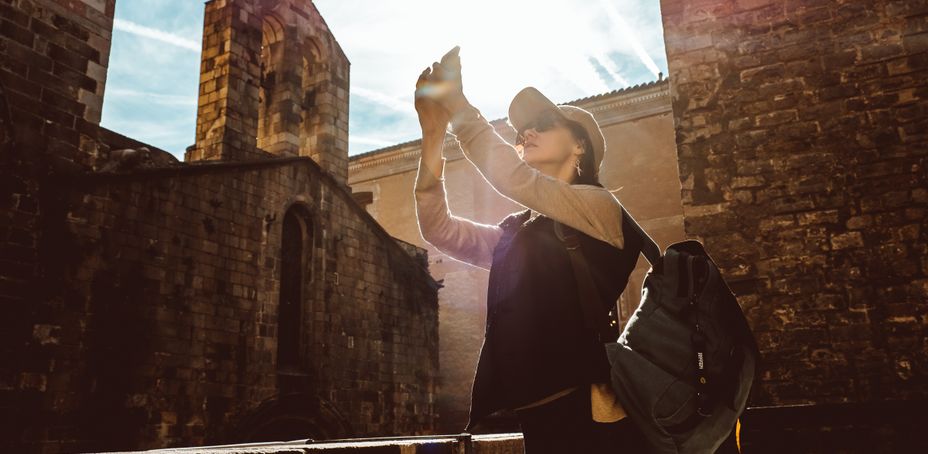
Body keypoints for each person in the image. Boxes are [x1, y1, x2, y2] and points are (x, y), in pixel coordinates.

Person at [413, 46, 651, 453]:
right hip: (533, 415)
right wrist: (434, 134)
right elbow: (440, 230)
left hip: (589, 417)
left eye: (543, 123)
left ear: (580, 146)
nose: (526, 134)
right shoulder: (520, 232)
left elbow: (516, 180)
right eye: (522, 132)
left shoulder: (600, 207)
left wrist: (459, 109)